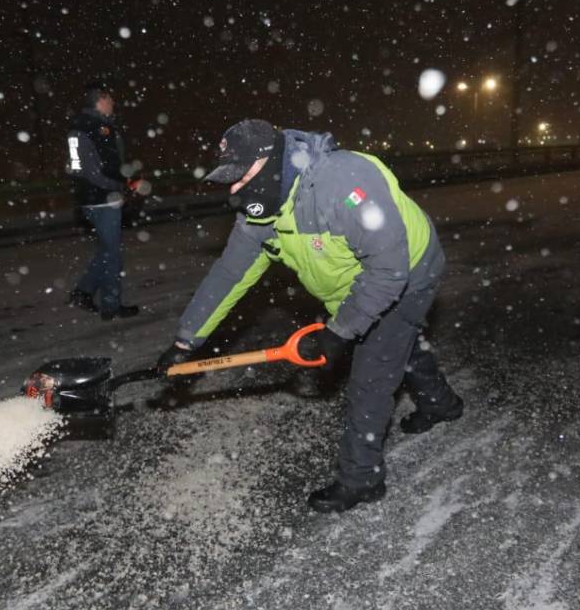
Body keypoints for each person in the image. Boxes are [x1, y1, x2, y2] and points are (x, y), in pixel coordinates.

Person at [156, 120, 463, 513]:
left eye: (242, 177)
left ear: (271, 164)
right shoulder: (260, 214)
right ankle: (441, 403)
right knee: (396, 348)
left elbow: (388, 271)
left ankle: (362, 478)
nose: (235, 191)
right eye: (230, 181)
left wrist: (340, 331)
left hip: (408, 273)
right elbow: (230, 273)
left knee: (371, 377)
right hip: (354, 283)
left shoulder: (344, 184)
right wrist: (186, 340)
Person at [65, 83, 139, 320]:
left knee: (107, 250)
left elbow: (94, 165)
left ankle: (83, 291)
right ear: (100, 100)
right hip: (101, 199)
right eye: (110, 98)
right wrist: (115, 187)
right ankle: (111, 305)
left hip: (95, 197)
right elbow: (90, 170)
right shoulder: (90, 127)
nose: (113, 102)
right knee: (112, 254)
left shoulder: (88, 126)